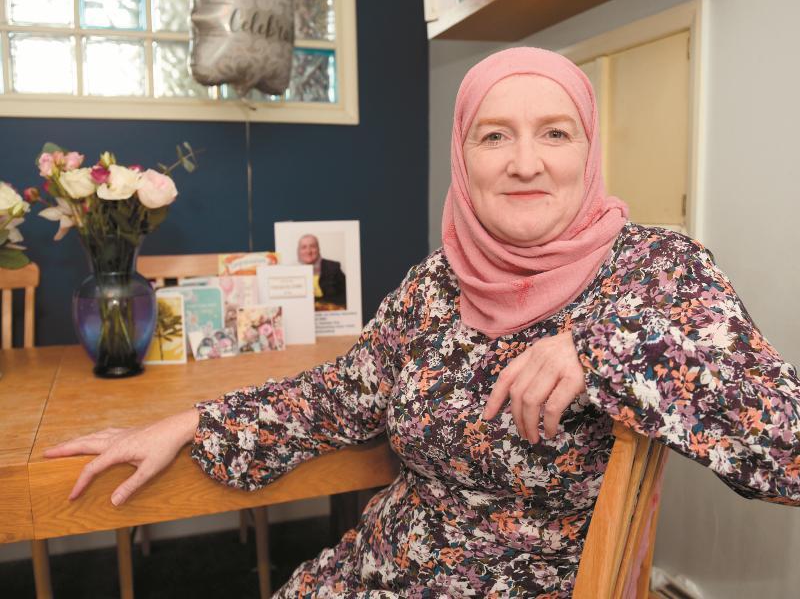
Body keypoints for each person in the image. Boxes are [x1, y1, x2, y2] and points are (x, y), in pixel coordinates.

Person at [44, 48, 800, 596]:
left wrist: (603, 349)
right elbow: (343, 393)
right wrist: (190, 421)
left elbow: (786, 451)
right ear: (463, 157)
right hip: (376, 564)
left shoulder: (658, 270)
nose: (525, 162)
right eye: (494, 135)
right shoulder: (437, 281)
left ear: (590, 149)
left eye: (555, 132)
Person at [297, 233, 347, 310]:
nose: (308, 251)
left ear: (318, 249)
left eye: (312, 246)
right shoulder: (294, 272)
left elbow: (348, 295)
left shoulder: (333, 268)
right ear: (299, 252)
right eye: (304, 247)